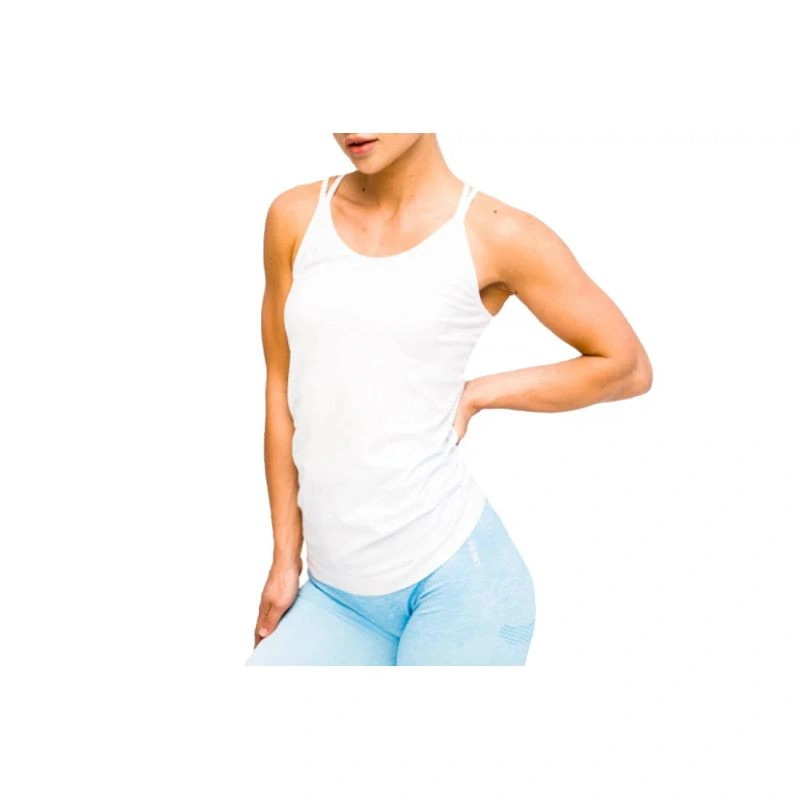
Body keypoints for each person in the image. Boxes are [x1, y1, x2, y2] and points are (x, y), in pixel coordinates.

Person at [245, 133, 652, 666]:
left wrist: (478, 394)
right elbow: (281, 389)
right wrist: (284, 560)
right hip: (336, 594)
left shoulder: (494, 233)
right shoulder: (296, 217)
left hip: (460, 589)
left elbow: (626, 366)